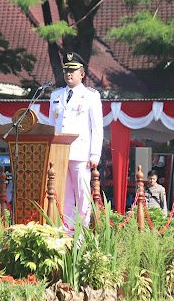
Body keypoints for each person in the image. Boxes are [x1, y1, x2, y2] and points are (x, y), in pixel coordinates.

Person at [48, 52, 103, 229]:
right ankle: (67, 229)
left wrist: (95, 154)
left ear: (82, 74)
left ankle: (82, 230)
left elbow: (97, 127)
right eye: (66, 71)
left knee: (82, 194)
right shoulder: (56, 95)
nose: (69, 74)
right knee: (63, 194)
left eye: (73, 71)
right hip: (60, 154)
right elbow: (51, 125)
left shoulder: (91, 96)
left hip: (81, 154)